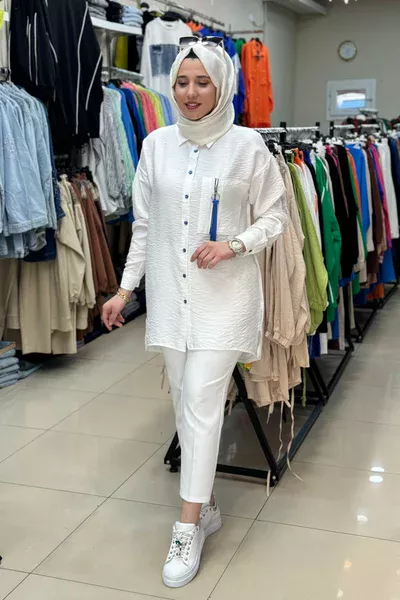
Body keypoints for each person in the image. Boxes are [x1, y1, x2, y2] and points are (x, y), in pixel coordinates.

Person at [102, 37, 287, 589]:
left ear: (221, 85)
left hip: (225, 300)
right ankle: (203, 507)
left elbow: (276, 216)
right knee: (185, 404)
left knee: (202, 406)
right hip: (170, 299)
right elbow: (143, 226)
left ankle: (186, 529)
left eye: (202, 82)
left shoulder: (248, 147)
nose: (190, 93)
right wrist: (124, 290)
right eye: (182, 82)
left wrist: (234, 245)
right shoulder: (156, 145)